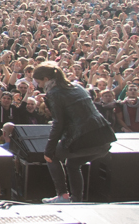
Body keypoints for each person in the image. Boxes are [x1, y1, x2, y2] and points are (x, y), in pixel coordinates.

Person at [34, 62, 117, 203]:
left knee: (51, 156)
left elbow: (58, 124)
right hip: (104, 137)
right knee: (72, 164)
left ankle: (62, 195)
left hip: (84, 139)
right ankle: (76, 200)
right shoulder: (77, 86)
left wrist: (49, 148)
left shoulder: (53, 94)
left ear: (46, 79)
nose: (39, 86)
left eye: (39, 82)